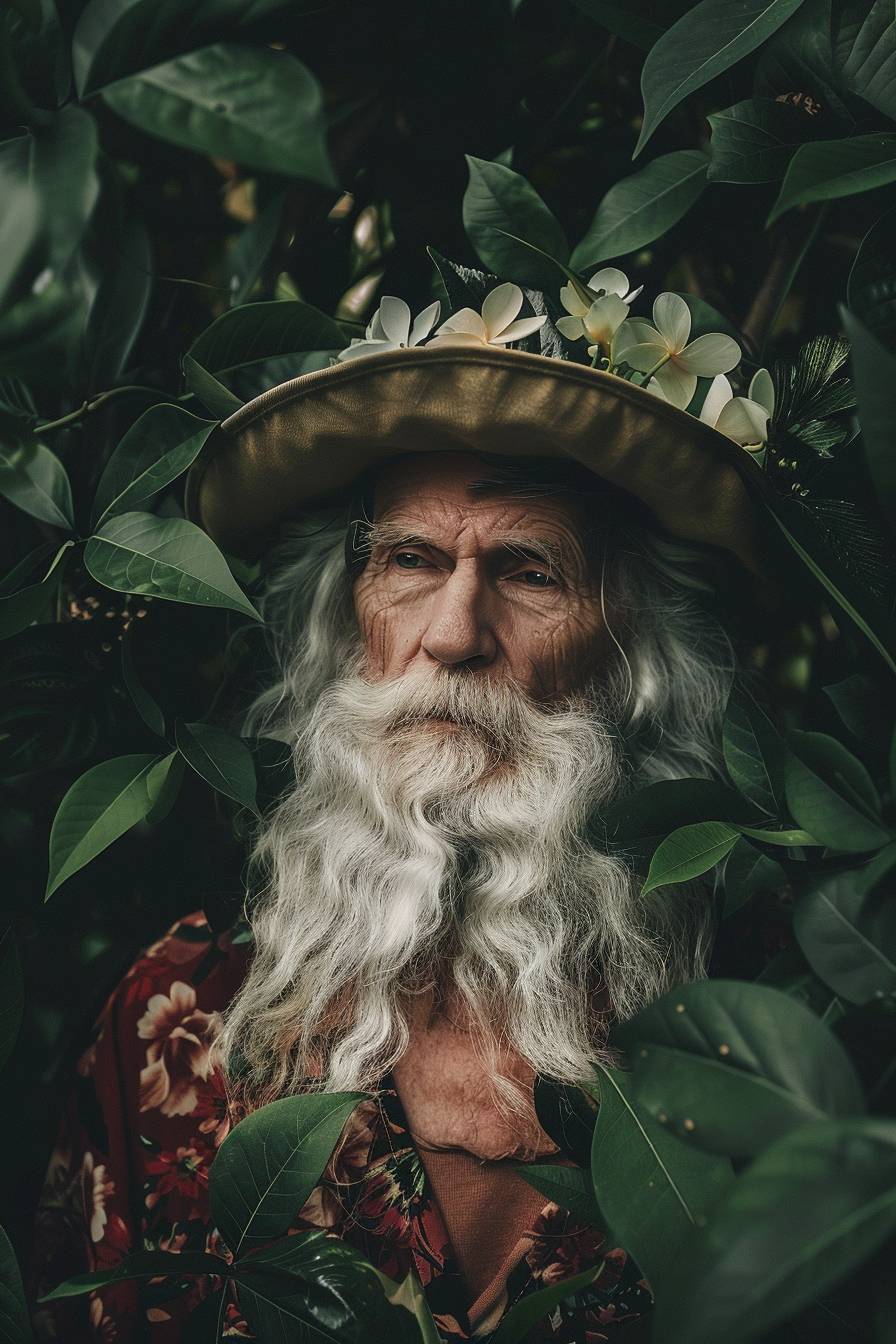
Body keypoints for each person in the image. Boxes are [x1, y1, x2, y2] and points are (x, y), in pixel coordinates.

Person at [31, 278, 768, 1342]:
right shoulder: (175, 1027)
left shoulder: (752, 1044)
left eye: (528, 571)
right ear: (349, 624)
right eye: (410, 562)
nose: (454, 632)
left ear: (632, 654)